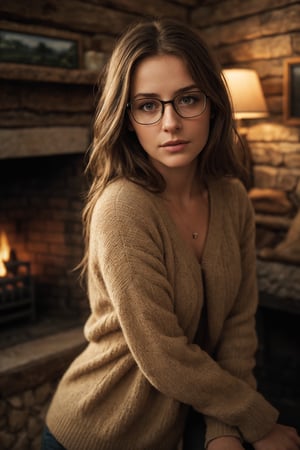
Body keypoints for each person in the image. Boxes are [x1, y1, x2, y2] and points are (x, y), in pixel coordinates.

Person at [41, 18, 300, 450]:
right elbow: (165, 356)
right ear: (126, 120)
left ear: (213, 104)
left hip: (179, 428)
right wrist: (256, 420)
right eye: (147, 105)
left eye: (188, 99)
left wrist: (223, 431)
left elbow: (237, 327)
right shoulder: (122, 208)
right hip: (99, 432)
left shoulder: (233, 197)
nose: (171, 123)